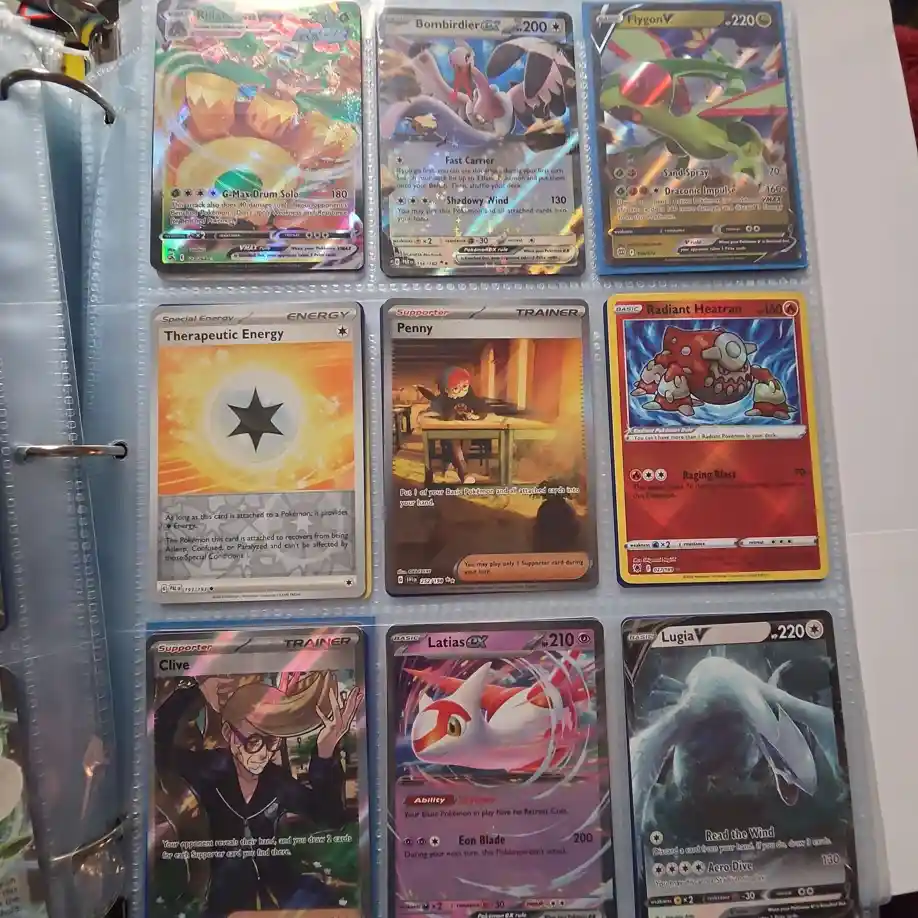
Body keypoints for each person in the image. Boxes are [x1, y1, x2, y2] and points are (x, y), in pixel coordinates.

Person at [154, 671, 364, 917]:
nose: (263, 753)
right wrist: (193, 689)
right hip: (224, 899)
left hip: (281, 896)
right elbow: (158, 744)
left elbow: (329, 816)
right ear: (229, 734)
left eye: (271, 742)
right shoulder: (210, 770)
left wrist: (325, 752)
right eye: (254, 742)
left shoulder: (276, 781)